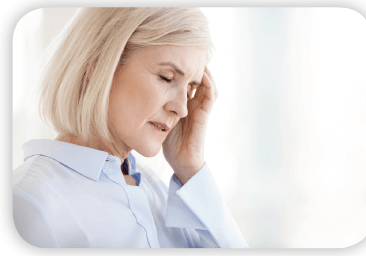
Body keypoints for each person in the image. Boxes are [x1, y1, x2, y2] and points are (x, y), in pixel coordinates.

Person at [13, 7, 248, 248]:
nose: (183, 109)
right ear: (98, 64)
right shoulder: (29, 202)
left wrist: (191, 167)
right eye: (167, 77)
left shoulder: (156, 193)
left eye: (190, 89)